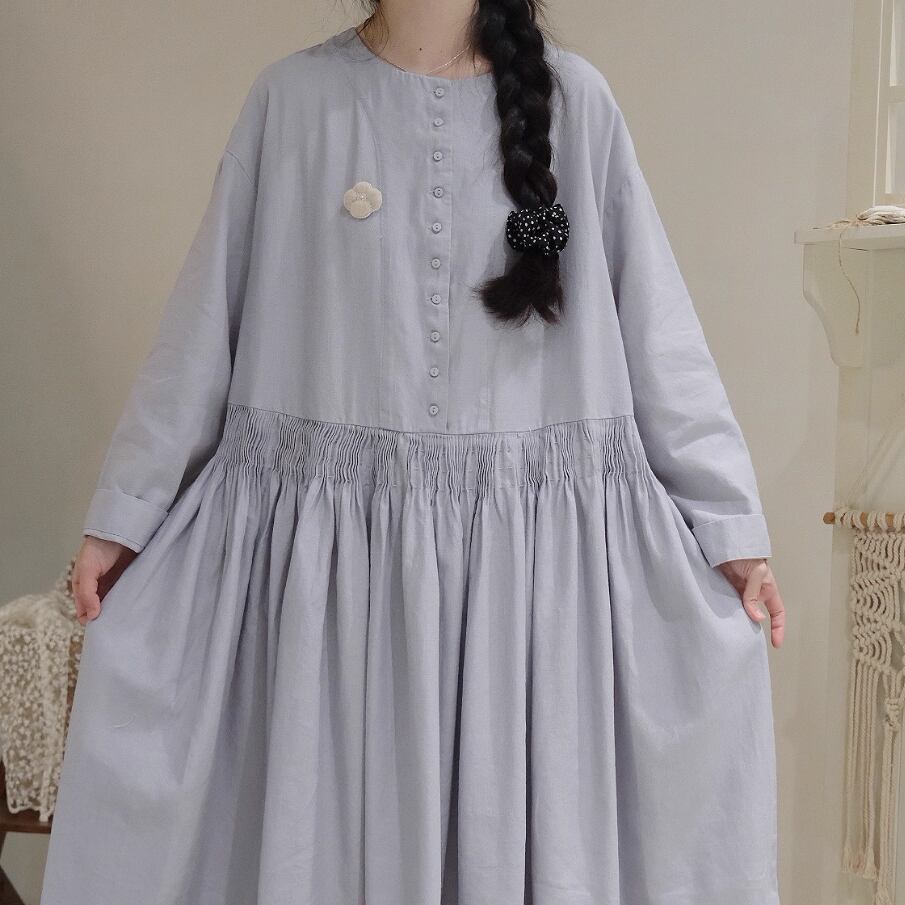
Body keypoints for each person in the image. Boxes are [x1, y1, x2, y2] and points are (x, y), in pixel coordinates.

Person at [41, 3, 787, 904]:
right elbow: (201, 332)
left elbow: (660, 336)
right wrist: (125, 514)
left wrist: (728, 526)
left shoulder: (575, 106)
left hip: (528, 594)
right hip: (332, 592)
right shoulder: (293, 101)